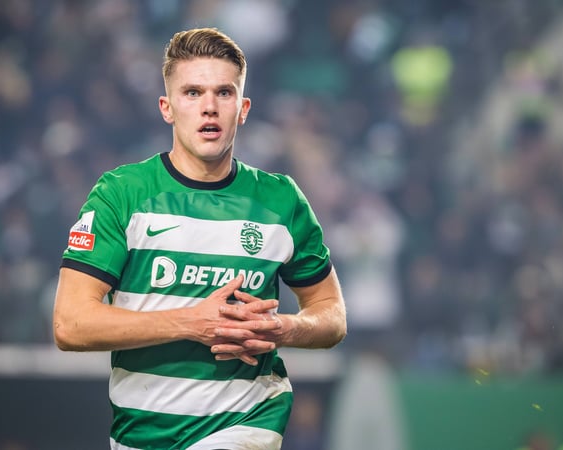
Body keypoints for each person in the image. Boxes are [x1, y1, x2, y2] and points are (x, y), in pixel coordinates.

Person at [52, 27, 347, 450]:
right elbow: (70, 324)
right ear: (167, 108)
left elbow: (331, 314)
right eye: (192, 93)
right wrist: (190, 322)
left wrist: (283, 327)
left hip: (248, 420)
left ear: (243, 108)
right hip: (141, 434)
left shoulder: (281, 200)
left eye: (224, 93)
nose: (209, 107)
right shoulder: (121, 194)